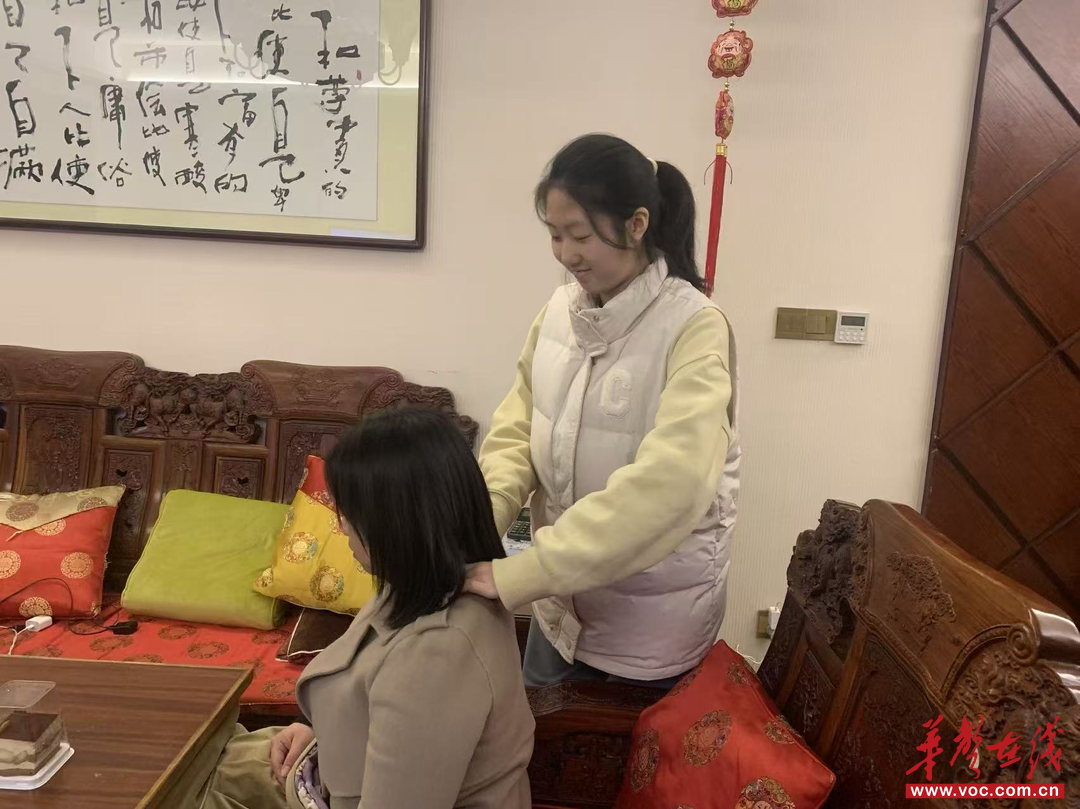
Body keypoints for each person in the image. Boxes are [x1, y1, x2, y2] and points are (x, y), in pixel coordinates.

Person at [465, 133, 741, 689]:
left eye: (581, 235)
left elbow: (673, 485)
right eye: (554, 234)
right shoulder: (559, 311)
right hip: (557, 606)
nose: (566, 254)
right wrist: (481, 523)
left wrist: (527, 571)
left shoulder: (693, 326)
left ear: (636, 225)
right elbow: (518, 429)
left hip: (649, 629)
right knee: (538, 737)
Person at [190, 408, 535, 809]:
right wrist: (317, 732)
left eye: (346, 516)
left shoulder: (436, 655)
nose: (340, 528)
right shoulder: (420, 582)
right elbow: (369, 695)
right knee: (193, 762)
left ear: (391, 525)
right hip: (328, 770)